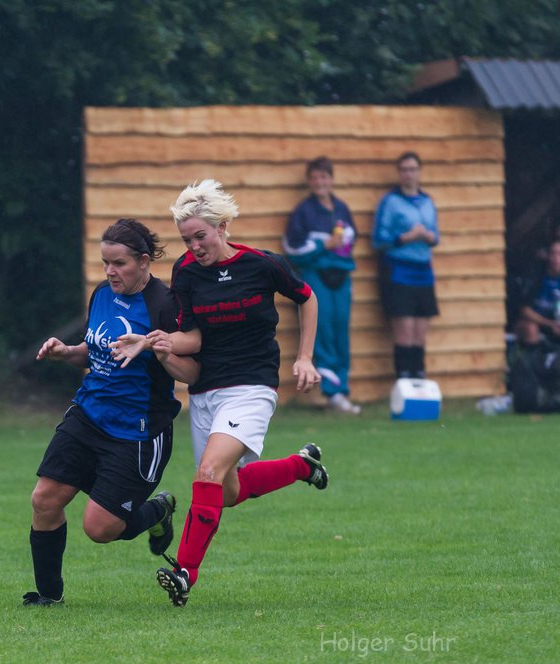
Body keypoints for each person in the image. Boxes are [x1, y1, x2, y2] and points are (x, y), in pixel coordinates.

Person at [111, 180, 328, 608]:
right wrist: (157, 341)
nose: (194, 246)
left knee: (207, 473)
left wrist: (305, 357)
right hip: (206, 392)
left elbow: (307, 297)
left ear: (222, 227)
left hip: (252, 387)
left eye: (201, 236)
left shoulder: (263, 265)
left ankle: (184, 573)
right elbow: (191, 337)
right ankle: (301, 466)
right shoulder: (187, 273)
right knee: (225, 492)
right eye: (187, 239)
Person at [24, 219, 198, 606]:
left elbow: (191, 369)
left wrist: (155, 347)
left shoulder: (164, 305)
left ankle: (158, 511)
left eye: (118, 263)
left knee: (100, 529)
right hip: (88, 414)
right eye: (105, 263)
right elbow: (96, 347)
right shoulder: (103, 294)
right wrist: (66, 352)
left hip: (137, 430)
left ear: (143, 261)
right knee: (44, 499)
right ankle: (49, 597)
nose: (109, 272)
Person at [284, 156, 360, 414]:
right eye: (315, 178)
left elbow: (351, 239)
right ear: (309, 181)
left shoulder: (341, 208)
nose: (320, 182)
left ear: (331, 179)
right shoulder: (303, 212)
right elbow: (292, 248)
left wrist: (340, 246)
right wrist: (323, 245)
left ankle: (342, 389)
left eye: (324, 177)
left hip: (342, 278)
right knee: (324, 333)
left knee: (341, 332)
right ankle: (332, 393)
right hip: (316, 277)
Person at [372, 151, 440, 379]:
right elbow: (379, 240)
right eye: (404, 170)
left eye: (413, 169)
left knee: (420, 333)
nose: (409, 174)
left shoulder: (428, 201)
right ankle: (404, 379)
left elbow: (436, 236)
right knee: (405, 331)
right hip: (399, 271)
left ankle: (419, 378)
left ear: (420, 172)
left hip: (424, 272)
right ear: (399, 174)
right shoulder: (390, 202)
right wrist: (406, 237)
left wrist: (429, 237)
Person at [516, 239, 560, 350]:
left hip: (559, 321)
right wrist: (550, 324)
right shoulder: (535, 272)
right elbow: (524, 309)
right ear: (547, 255)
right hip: (537, 321)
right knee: (530, 328)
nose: (556, 258)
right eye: (553, 253)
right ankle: (533, 364)